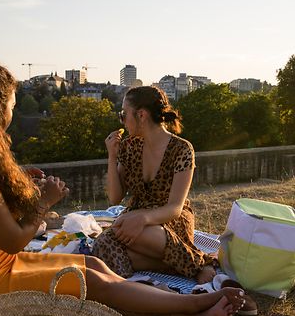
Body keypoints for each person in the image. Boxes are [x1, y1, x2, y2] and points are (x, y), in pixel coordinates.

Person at [0, 56, 245, 316]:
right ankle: (195, 303)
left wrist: (20, 187)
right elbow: (13, 239)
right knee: (88, 282)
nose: (12, 114)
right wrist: (44, 201)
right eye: (12, 106)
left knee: (92, 265)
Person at [92, 86, 216, 283]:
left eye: (123, 114)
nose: (121, 120)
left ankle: (198, 263)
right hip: (136, 217)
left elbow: (174, 208)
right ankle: (170, 267)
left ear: (141, 115)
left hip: (169, 221)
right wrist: (112, 156)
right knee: (102, 244)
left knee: (119, 234)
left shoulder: (182, 149)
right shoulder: (129, 146)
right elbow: (115, 197)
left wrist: (143, 218)